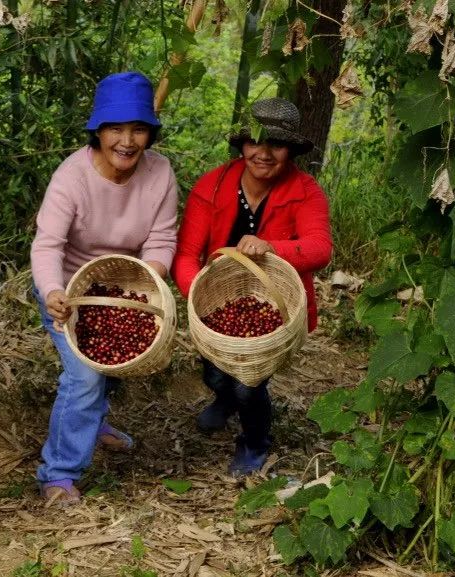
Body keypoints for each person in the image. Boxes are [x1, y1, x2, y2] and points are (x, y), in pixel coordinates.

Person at [30, 72, 178, 505]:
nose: (127, 140)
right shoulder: (72, 177)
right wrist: (54, 292)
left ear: (150, 133)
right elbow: (47, 245)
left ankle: (90, 423)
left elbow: (162, 238)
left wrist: (149, 277)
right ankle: (57, 473)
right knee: (85, 375)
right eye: (115, 128)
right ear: (98, 131)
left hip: (125, 285)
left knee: (120, 354)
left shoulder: (160, 173)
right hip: (69, 288)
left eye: (137, 129)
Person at [171, 97, 332, 476]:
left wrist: (271, 247)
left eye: (275, 145)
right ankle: (223, 400)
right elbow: (187, 254)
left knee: (248, 384)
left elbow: (320, 248)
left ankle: (254, 442)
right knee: (214, 373)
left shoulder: (305, 190)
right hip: (217, 301)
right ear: (242, 145)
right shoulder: (212, 186)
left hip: (271, 307)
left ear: (289, 150)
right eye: (254, 142)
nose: (263, 153)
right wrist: (200, 298)